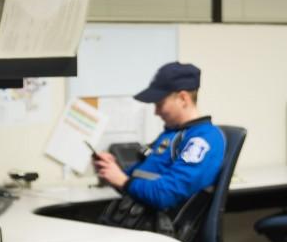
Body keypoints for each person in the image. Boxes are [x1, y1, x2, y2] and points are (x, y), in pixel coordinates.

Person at [94, 61, 225, 214]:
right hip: (137, 217)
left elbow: (166, 195)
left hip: (162, 229)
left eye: (160, 104)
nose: (156, 112)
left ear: (183, 98)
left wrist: (123, 181)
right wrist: (110, 170)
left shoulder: (204, 139)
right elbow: (134, 179)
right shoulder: (170, 135)